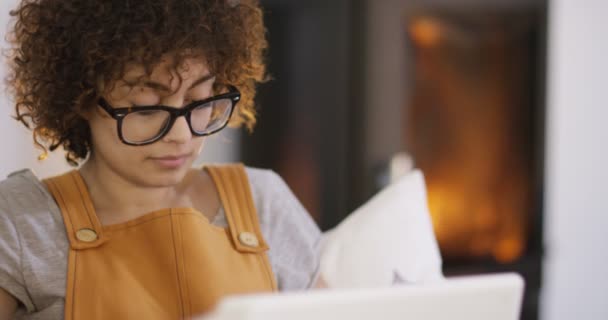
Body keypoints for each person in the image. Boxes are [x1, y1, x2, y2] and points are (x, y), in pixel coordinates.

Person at [0, 0, 323, 319]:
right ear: (81, 100)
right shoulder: (20, 221)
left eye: (199, 100)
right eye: (147, 106)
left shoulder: (263, 202)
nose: (182, 135)